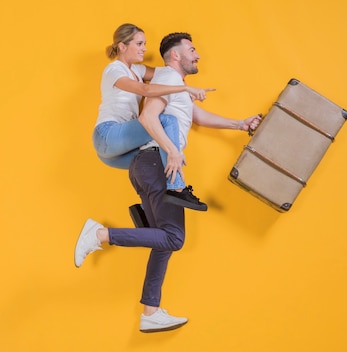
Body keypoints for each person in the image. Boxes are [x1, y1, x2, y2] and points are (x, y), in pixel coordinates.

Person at [75, 31, 262, 333]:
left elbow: (198, 117)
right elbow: (150, 118)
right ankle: (101, 235)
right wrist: (173, 153)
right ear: (175, 55)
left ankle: (151, 311)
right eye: (192, 49)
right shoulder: (166, 80)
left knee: (164, 239)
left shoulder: (173, 84)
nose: (198, 54)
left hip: (145, 163)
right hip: (156, 163)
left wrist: (241, 124)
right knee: (174, 238)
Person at [94, 23, 210, 211]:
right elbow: (146, 89)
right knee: (167, 122)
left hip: (120, 150)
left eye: (145, 44)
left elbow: (168, 73)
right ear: (123, 47)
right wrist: (185, 88)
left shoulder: (138, 71)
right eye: (139, 44)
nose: (145, 49)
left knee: (152, 160)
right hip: (107, 135)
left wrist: (182, 90)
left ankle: (145, 213)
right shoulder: (114, 70)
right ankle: (177, 188)